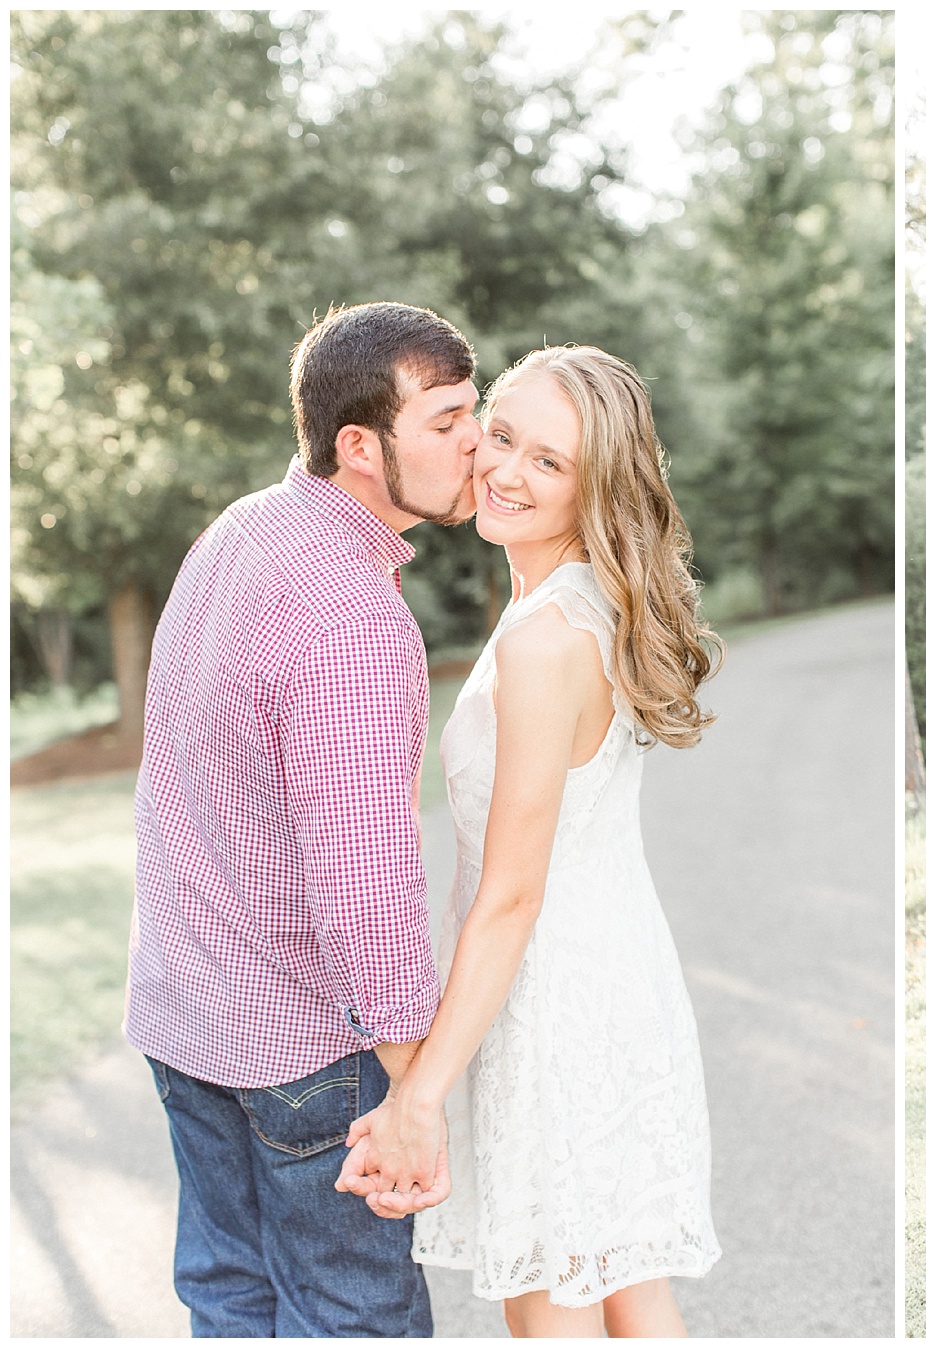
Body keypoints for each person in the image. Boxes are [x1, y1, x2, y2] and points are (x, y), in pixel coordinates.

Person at [335, 345, 724, 1337]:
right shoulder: (578, 601)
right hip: (608, 980)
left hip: (555, 1008)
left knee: (551, 1308)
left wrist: (421, 1095)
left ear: (593, 486)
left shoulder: (546, 637)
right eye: (501, 436)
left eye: (548, 461)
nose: (505, 470)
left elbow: (510, 893)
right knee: (630, 1293)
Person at [125, 301, 481, 1336]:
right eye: (449, 419)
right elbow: (365, 887)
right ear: (360, 445)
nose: (476, 440)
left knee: (232, 1301)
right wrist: (416, 1094)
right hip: (302, 1052)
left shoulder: (240, 529)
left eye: (476, 409)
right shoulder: (355, 618)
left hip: (183, 1010)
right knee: (352, 1319)